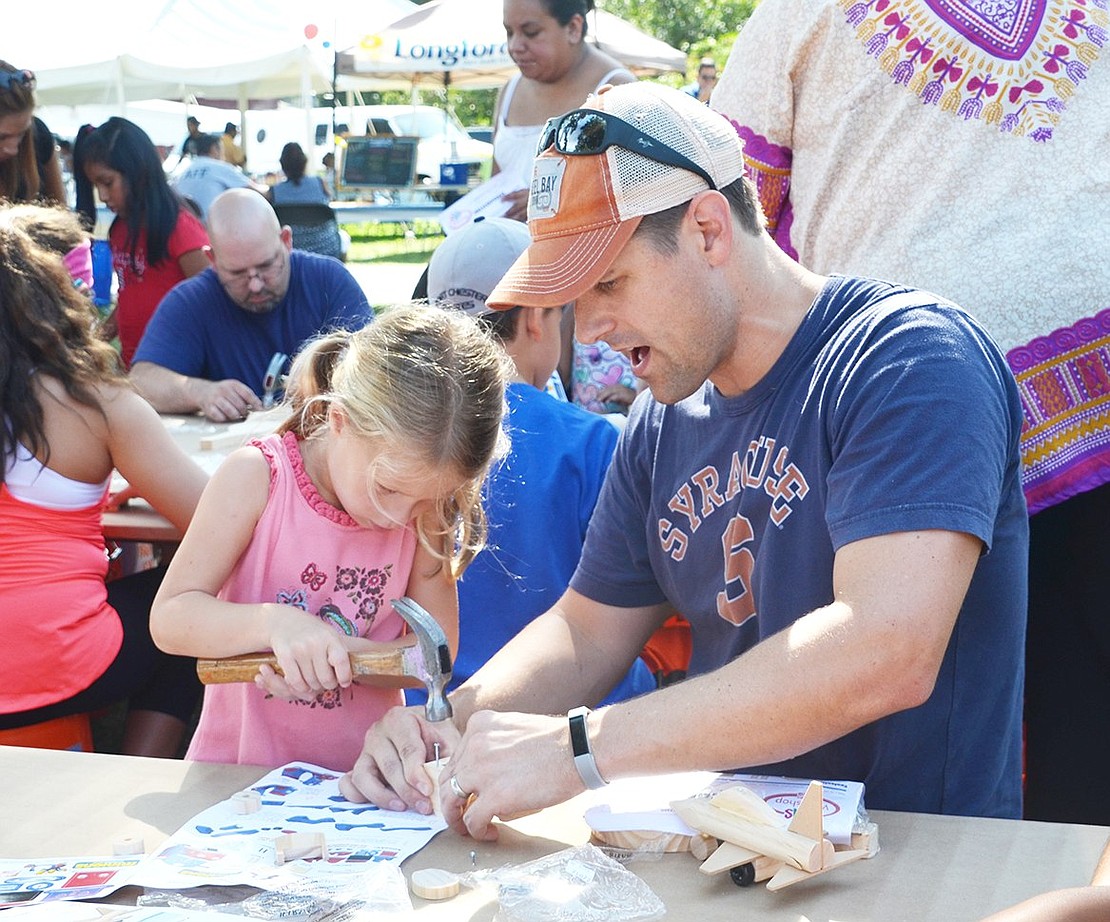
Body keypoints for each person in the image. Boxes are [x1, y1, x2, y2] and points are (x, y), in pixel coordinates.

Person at [338, 83, 1028, 838]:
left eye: (609, 281)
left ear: (706, 229)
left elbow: (884, 649)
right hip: (734, 854)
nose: (592, 326)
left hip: (920, 865)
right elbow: (587, 632)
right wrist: (450, 724)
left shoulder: (908, 360)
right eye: (573, 297)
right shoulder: (659, 423)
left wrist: (581, 749)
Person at [710, 0, 1110, 825]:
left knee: (1079, 757)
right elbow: (726, 206)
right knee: (901, 748)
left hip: (1085, 441)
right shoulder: (799, 15)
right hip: (896, 441)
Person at [149, 303, 511, 770]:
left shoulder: (426, 513)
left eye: (424, 499)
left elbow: (432, 657)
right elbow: (171, 619)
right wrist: (277, 626)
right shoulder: (258, 477)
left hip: (366, 783)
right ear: (340, 421)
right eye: (387, 488)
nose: (399, 515)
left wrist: (337, 655)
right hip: (237, 777)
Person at [410, 216, 656, 708]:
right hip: (576, 723)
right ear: (535, 318)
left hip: (428, 721)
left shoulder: (396, 439)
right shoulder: (591, 443)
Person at [0, 202, 207, 758]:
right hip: (51, 662)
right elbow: (217, 523)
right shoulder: (96, 400)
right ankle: (137, 776)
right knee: (186, 608)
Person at [130, 189, 371, 422]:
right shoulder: (190, 301)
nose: (255, 285)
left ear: (286, 241)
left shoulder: (329, 281)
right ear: (212, 260)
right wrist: (199, 392)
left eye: (266, 266)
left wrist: (324, 377)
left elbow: (374, 366)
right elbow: (141, 381)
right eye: (237, 273)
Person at [74, 117, 209, 368]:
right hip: (135, 368)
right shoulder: (121, 230)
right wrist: (96, 341)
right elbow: (128, 297)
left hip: (179, 370)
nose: (103, 196)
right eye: (96, 186)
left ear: (138, 173)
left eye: (108, 182)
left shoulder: (179, 228)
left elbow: (213, 299)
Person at [494, 0, 636, 222]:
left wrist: (547, 200)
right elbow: (497, 183)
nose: (515, 46)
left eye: (531, 33)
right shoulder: (509, 91)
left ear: (573, 28)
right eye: (509, 32)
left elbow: (633, 192)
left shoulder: (615, 88)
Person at [0, 62, 65, 205]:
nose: (13, 149)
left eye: (22, 134)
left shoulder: (39, 136)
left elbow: (61, 211)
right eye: (2, 137)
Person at [268, 141, 344, 260]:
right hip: (325, 249)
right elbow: (330, 200)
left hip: (291, 250)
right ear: (304, 162)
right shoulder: (320, 183)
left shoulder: (274, 192)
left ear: (282, 164)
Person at [170, 133, 255, 222]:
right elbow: (255, 191)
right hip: (213, 230)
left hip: (186, 229)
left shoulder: (182, 173)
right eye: (222, 149)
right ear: (214, 149)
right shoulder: (220, 167)